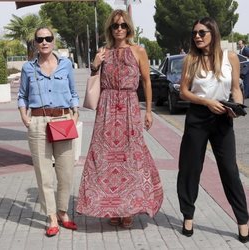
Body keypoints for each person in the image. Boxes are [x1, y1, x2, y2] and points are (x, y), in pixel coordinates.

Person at [76, 9, 163, 228]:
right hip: (106, 107)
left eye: (123, 25)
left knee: (130, 157)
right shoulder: (103, 51)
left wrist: (149, 111)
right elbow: (94, 77)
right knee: (105, 158)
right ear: (110, 29)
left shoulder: (138, 51)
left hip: (129, 107)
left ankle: (129, 208)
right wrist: (95, 64)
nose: (120, 29)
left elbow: (146, 81)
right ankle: (110, 208)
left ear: (129, 28)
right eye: (116, 26)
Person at [177, 17, 249, 243]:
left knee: (229, 171)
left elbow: (236, 89)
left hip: (222, 118)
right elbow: (183, 92)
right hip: (198, 117)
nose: (197, 36)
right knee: (190, 169)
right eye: (195, 33)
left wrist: (236, 108)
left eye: (202, 32)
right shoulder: (191, 59)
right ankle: (188, 216)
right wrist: (207, 102)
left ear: (213, 33)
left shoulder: (230, 57)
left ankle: (243, 221)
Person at [18, 27, 79, 237]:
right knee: (43, 175)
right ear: (35, 42)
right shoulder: (28, 68)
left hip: (63, 120)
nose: (44, 42)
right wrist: (24, 116)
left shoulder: (66, 65)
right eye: (40, 39)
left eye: (48, 38)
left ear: (54, 40)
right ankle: (52, 217)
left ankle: (63, 212)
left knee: (66, 172)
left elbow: (73, 92)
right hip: (37, 122)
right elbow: (22, 96)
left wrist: (76, 111)